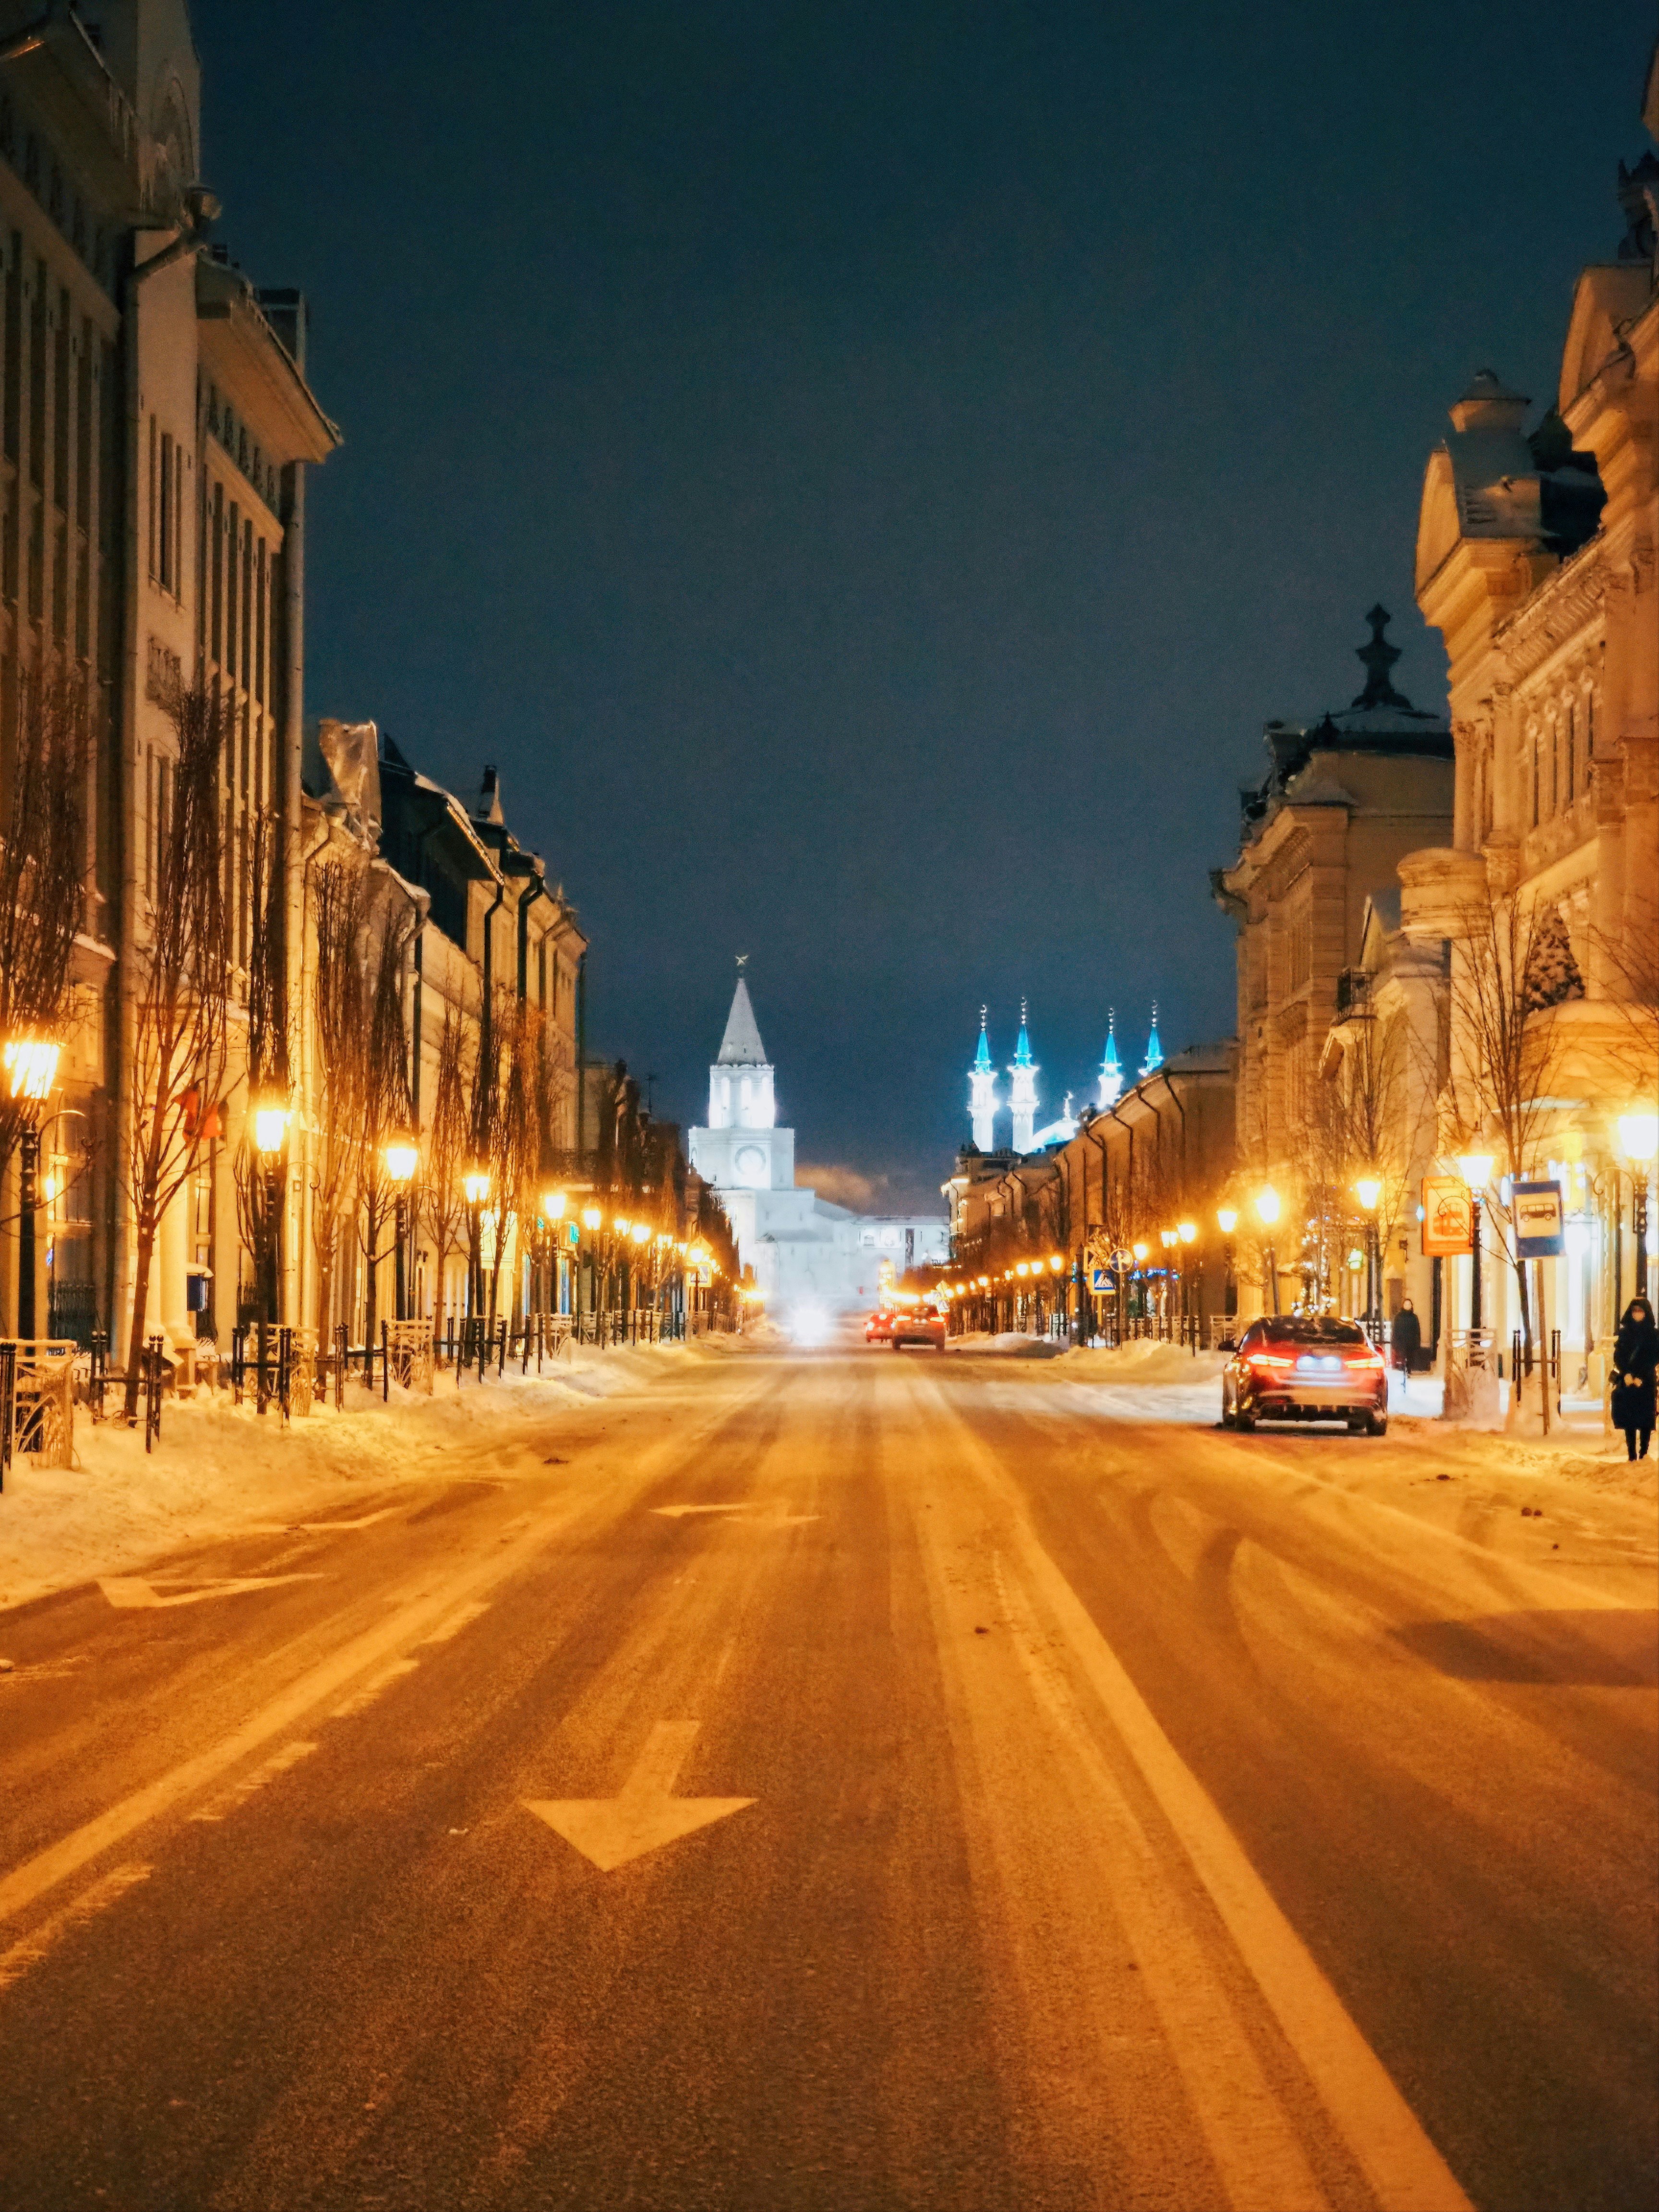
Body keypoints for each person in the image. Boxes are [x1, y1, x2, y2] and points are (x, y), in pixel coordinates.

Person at [1611, 1296, 1658, 1461]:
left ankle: (1644, 1453)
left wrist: (1642, 1376)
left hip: (1645, 1382)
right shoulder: (1625, 1333)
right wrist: (1626, 1374)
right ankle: (1631, 1454)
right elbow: (1618, 1355)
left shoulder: (1653, 1335)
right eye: (1635, 1311)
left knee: (1645, 1418)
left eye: (1640, 1311)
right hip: (1629, 1380)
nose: (1637, 1314)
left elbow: (1654, 1357)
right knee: (1629, 1418)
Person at [1390, 1298, 1422, 1375]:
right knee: (1402, 1357)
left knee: (1410, 1358)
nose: (1407, 1306)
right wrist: (1395, 1341)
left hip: (1411, 1341)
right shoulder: (1398, 1317)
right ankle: (1402, 1371)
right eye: (1406, 1304)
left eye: (1409, 1304)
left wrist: (1417, 1341)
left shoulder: (1414, 1318)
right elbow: (1395, 1330)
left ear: (1411, 1306)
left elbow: (1417, 1330)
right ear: (1403, 1306)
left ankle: (1409, 1370)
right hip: (1401, 1342)